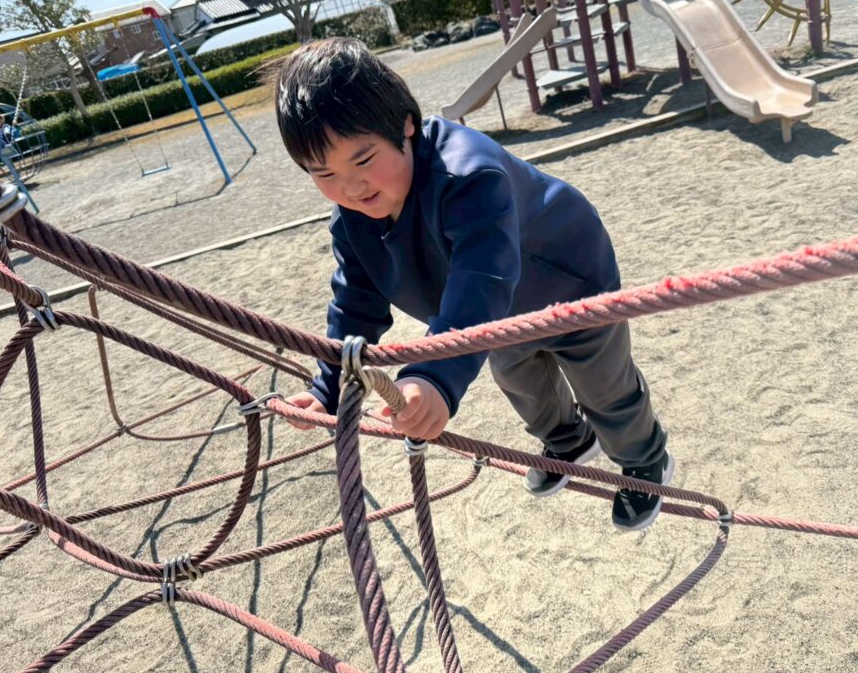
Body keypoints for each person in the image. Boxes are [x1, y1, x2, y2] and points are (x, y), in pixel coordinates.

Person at [272, 38, 673, 531]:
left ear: (405, 124)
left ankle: (646, 462)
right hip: (492, 316)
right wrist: (328, 388)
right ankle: (570, 441)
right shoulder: (352, 218)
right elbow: (355, 303)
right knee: (522, 383)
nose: (351, 187)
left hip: (568, 281)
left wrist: (434, 378)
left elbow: (482, 279)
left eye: (363, 159)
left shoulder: (468, 174)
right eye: (324, 173)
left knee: (604, 386)